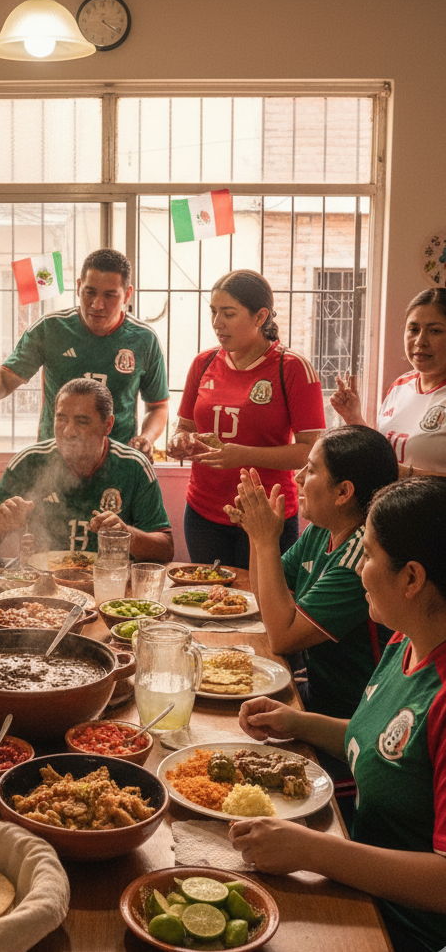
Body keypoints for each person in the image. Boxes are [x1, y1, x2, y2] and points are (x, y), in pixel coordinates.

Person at [230, 476, 446, 952]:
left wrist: (313, 850)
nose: (357, 566)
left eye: (366, 554)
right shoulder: (404, 640)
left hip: (401, 931)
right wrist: (297, 723)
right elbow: (390, 744)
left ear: (411, 578)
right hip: (356, 889)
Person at [0, 248, 169, 456]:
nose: (97, 304)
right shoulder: (51, 329)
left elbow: (158, 406)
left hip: (117, 461)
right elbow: (4, 381)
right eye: (89, 292)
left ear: (127, 295)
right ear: (78, 286)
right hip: (54, 459)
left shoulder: (143, 339)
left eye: (110, 295)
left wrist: (147, 438)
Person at [167, 269, 325, 568]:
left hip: (266, 515)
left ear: (260, 316)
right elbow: (184, 426)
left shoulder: (291, 368)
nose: (217, 323)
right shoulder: (203, 363)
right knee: (207, 601)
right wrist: (179, 441)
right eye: (213, 312)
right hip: (203, 512)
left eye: (228, 313)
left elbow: (309, 452)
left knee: (263, 606)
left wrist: (242, 456)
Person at [0, 379, 173, 561]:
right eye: (61, 419)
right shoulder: (28, 462)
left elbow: (166, 549)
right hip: (41, 586)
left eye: (82, 421)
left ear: (108, 425)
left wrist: (127, 534)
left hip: (109, 584)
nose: (68, 432)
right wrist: (0, 522)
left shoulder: (134, 466)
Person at [330, 287, 446, 477]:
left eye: (435, 331)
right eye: (414, 329)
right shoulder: (400, 386)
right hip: (389, 505)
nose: (420, 341)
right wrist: (355, 419)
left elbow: (387, 468)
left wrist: (400, 473)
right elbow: (383, 453)